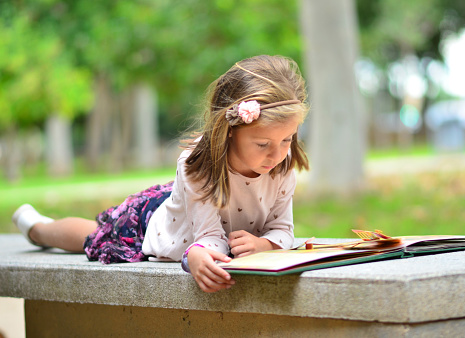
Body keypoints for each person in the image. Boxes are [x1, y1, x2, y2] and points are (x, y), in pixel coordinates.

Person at [12, 55, 309, 293]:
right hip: (162, 225)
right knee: (95, 237)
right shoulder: (197, 165)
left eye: (287, 139)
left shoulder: (281, 168)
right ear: (229, 130)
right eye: (263, 144)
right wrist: (195, 255)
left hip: (190, 208)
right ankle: (39, 228)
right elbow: (206, 236)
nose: (278, 154)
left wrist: (263, 244)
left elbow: (283, 229)